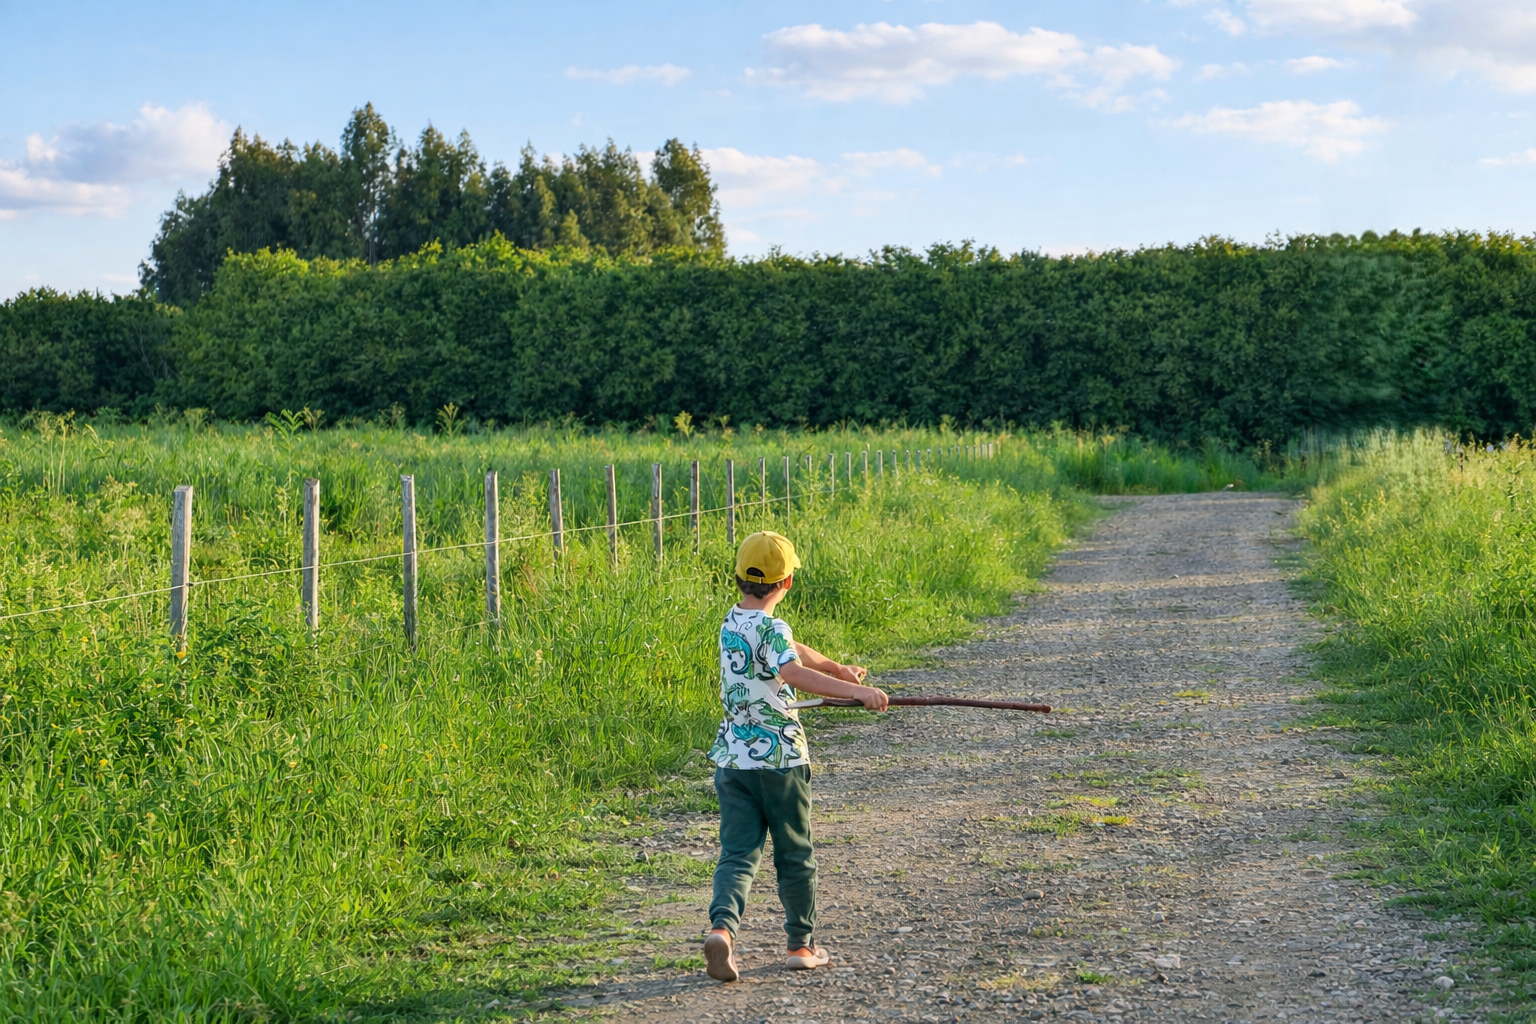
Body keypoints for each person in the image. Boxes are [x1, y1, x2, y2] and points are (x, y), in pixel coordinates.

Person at [703, 530, 889, 982]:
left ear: (737, 578)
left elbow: (791, 652)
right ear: (786, 583)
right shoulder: (774, 628)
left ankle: (722, 931)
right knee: (794, 853)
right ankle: (801, 946)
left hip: (733, 760)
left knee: (738, 852)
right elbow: (789, 669)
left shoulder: (732, 622)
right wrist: (857, 691)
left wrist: (832, 666)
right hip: (780, 761)